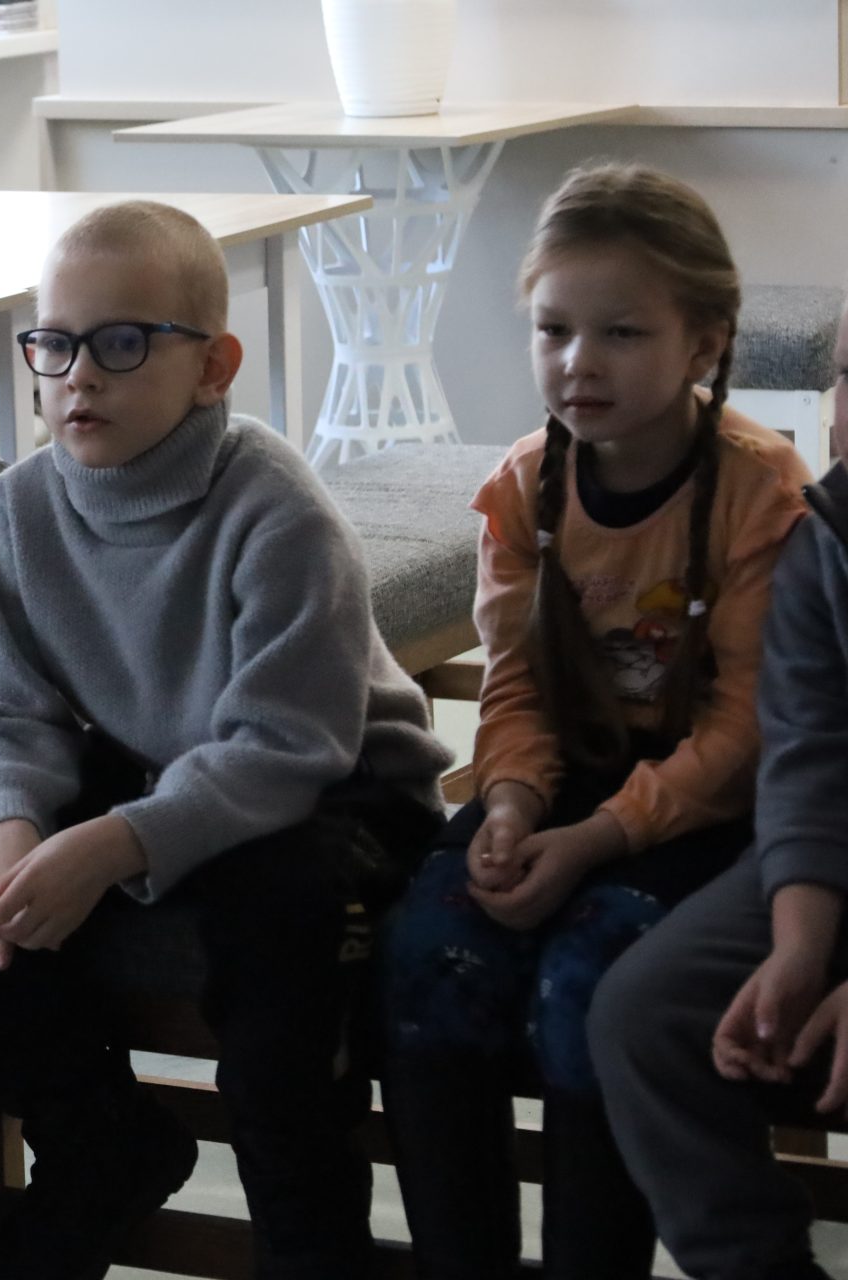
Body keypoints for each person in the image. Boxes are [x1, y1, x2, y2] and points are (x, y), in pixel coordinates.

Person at [0, 199, 449, 1280]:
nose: (79, 377)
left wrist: (108, 845)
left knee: (278, 911)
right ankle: (101, 1139)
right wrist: (10, 836)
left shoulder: (273, 504)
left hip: (337, 793)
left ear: (213, 367)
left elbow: (290, 744)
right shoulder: (19, 509)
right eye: (55, 344)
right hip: (165, 773)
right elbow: (2, 711)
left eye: (123, 343)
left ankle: (310, 1238)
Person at [380, 162, 811, 1279]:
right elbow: (516, 686)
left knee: (588, 984)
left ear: (705, 343)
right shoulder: (523, 486)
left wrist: (590, 842)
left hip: (709, 811)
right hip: (564, 790)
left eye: (621, 332)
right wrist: (511, 807)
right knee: (429, 961)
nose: (579, 361)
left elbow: (748, 733)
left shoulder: (763, 492)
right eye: (554, 329)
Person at [586, 298, 848, 1280]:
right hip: (835, 859)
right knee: (643, 1014)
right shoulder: (828, 536)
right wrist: (800, 946)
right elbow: (810, 755)